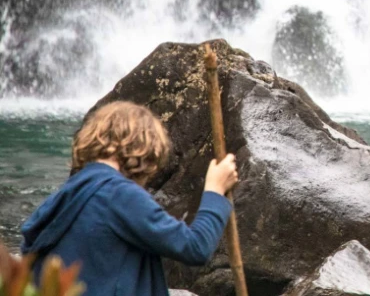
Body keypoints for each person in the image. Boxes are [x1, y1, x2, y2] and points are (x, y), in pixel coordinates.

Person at [21, 101, 238, 296]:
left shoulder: (66, 195)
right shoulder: (119, 194)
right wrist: (214, 191)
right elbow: (195, 248)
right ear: (144, 149)